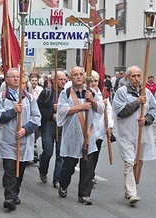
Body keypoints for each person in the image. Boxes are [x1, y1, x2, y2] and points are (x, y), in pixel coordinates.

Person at [0, 68, 41, 211]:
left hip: (24, 141)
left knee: (20, 169)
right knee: (10, 169)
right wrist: (12, 111)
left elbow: (36, 117)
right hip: (7, 140)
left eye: (17, 77)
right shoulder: (0, 98)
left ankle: (15, 192)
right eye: (12, 77)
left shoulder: (29, 98)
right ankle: (9, 198)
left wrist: (26, 129)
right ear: (6, 80)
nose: (15, 79)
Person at [56, 66, 104, 205]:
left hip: (88, 134)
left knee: (87, 166)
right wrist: (80, 107)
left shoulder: (92, 91)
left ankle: (84, 195)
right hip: (72, 134)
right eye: (75, 74)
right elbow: (62, 110)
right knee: (69, 165)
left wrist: (92, 101)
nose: (78, 76)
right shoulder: (65, 93)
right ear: (71, 77)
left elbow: (101, 109)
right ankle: (63, 184)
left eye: (81, 74)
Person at [112, 65, 156, 206]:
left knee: (138, 162)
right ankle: (133, 194)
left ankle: (130, 188)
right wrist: (137, 102)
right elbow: (120, 111)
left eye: (139, 75)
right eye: (134, 76)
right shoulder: (121, 92)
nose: (137, 79)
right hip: (126, 133)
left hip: (141, 133)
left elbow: (154, 110)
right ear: (127, 77)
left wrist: (147, 119)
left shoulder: (147, 93)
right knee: (129, 162)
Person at [37, 71, 67, 189]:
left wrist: (61, 110)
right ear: (54, 80)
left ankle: (57, 180)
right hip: (49, 125)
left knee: (60, 155)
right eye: (60, 79)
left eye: (64, 79)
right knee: (48, 152)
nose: (63, 81)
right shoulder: (47, 92)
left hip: (62, 126)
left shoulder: (68, 93)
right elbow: (39, 107)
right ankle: (43, 168)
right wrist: (51, 114)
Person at [89, 71, 114, 186]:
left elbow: (109, 111)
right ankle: (88, 175)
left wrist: (109, 126)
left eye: (96, 81)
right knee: (88, 154)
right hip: (89, 130)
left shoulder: (103, 93)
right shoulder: (85, 93)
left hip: (100, 130)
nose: (94, 83)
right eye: (91, 81)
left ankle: (91, 173)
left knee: (96, 153)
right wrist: (99, 104)